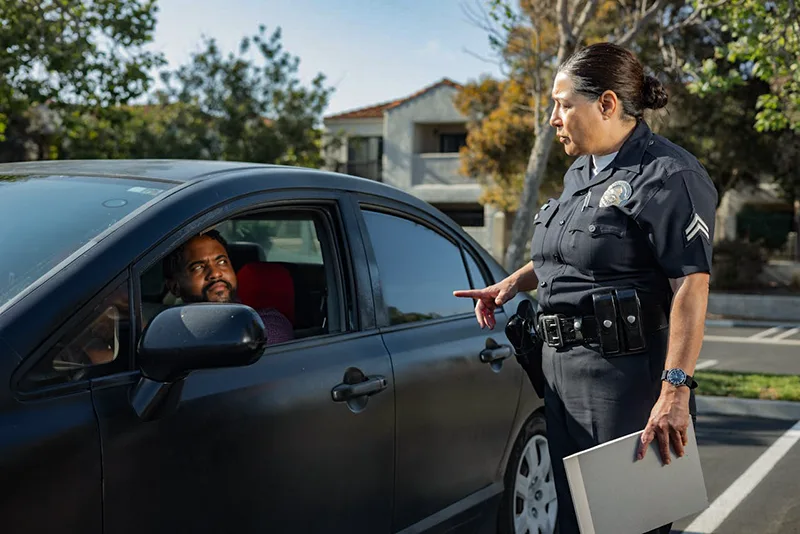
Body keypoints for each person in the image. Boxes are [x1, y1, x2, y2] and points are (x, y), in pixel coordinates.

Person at [455, 42, 716, 534]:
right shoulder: (581, 171)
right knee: (573, 523)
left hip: (624, 386)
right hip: (560, 378)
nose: (553, 118)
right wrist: (509, 285)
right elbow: (565, 255)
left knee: (626, 525)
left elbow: (690, 285)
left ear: (607, 104)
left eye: (563, 103)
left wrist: (674, 391)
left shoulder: (669, 175)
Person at [163, 229, 294, 345]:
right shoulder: (166, 330)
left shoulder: (268, 323)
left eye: (222, 262)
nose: (215, 273)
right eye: (198, 267)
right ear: (175, 287)